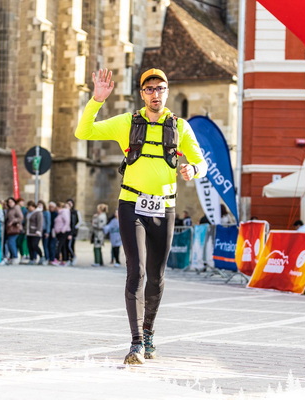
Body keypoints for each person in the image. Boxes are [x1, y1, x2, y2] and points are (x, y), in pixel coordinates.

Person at [75, 68, 208, 364]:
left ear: (167, 92)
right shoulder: (126, 122)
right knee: (136, 271)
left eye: (160, 88)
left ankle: (148, 334)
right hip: (131, 204)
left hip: (164, 207)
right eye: (149, 89)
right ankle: (135, 343)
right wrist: (97, 100)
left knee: (157, 276)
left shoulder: (181, 127)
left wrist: (193, 169)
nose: (155, 93)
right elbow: (83, 132)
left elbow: (201, 162)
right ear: (142, 94)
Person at [4, 197, 23, 265]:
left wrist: (13, 221)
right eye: (9, 202)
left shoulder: (16, 208)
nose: (10, 203)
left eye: (11, 202)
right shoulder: (9, 209)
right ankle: (12, 256)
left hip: (15, 228)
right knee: (9, 243)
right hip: (9, 229)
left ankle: (15, 256)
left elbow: (20, 217)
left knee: (11, 242)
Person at [25, 201, 43, 265]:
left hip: (35, 232)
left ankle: (41, 256)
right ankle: (32, 258)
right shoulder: (28, 213)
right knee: (29, 246)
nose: (29, 208)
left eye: (30, 207)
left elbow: (40, 222)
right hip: (29, 232)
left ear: (33, 207)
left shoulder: (38, 213)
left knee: (34, 245)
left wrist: (38, 231)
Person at [66, 198, 81, 265]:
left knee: (71, 245)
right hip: (67, 231)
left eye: (70, 203)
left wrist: (74, 228)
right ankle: (68, 258)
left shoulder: (75, 212)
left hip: (73, 231)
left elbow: (79, 221)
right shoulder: (66, 211)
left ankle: (73, 257)